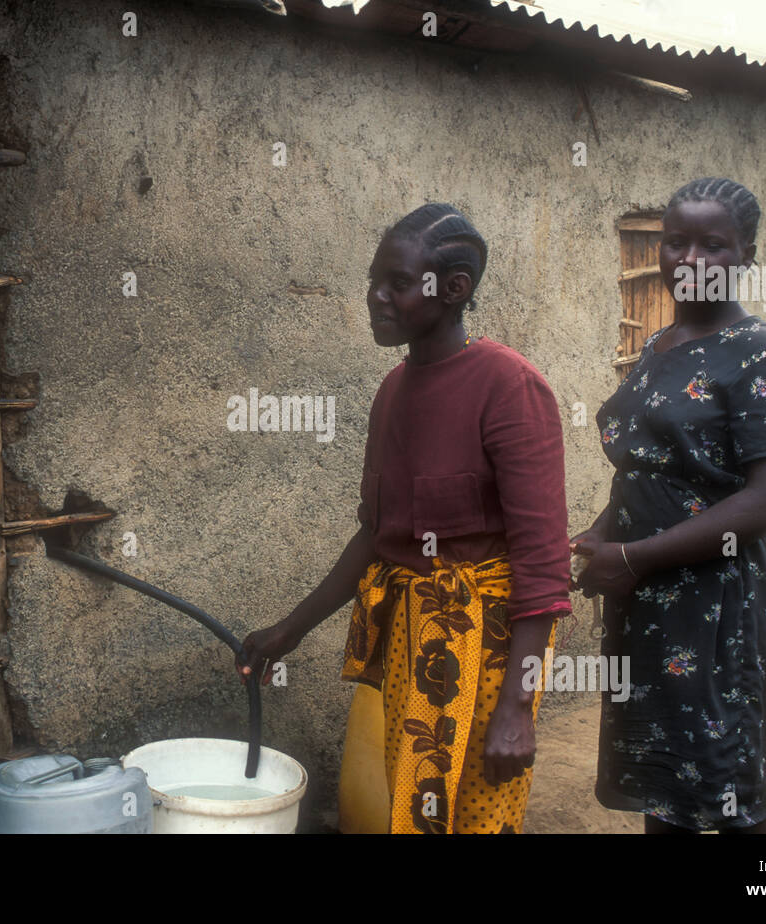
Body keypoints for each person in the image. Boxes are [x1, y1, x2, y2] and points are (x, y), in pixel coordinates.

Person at [237, 203, 571, 834]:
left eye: (395, 282)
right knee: (413, 813)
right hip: (412, 643)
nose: (375, 296)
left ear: (453, 290)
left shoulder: (510, 386)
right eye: (372, 280)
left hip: (488, 651)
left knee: (475, 819)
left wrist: (517, 708)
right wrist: (292, 629)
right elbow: (377, 534)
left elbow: (544, 565)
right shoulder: (393, 393)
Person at [573, 177, 766, 834]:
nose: (690, 260)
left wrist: (632, 556)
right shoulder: (658, 348)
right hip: (648, 603)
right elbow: (650, 470)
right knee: (663, 786)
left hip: (717, 607)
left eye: (713, 245)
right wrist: (601, 536)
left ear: (746, 254)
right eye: (676, 242)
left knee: (730, 791)